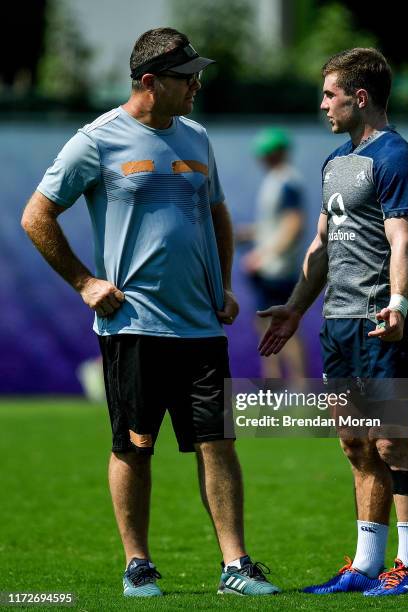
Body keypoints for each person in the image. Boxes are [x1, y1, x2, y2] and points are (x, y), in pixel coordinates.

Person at [21, 27, 280, 598]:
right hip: (133, 326)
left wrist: (225, 284)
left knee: (218, 443)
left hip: (202, 326)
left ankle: (235, 565)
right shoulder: (95, 141)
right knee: (134, 446)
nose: (197, 86)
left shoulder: (196, 137)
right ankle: (138, 564)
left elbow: (217, 214)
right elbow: (36, 216)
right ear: (149, 82)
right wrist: (85, 282)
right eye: (186, 78)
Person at [258, 48, 408, 597]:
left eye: (331, 94)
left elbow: (402, 238)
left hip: (382, 321)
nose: (323, 104)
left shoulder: (397, 158)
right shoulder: (335, 162)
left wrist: (399, 304)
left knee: (390, 443)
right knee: (355, 443)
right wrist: (294, 307)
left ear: (361, 97)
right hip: (338, 323)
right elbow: (321, 245)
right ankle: (364, 565)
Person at [237, 128, 306, 382]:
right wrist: (251, 234)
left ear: (279, 153)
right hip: (269, 269)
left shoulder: (287, 181)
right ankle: (273, 381)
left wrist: (263, 255)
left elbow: (293, 226)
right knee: (266, 325)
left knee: (283, 327)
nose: (262, 158)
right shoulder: (276, 180)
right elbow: (275, 225)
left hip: (278, 269)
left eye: (267, 152)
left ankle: (299, 387)